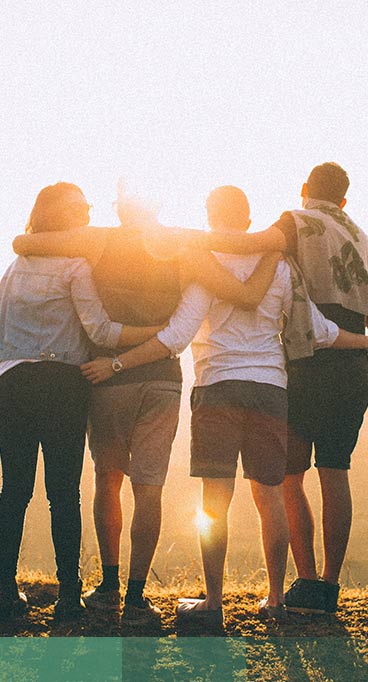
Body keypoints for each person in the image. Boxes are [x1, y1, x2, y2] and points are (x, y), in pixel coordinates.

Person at [81, 185, 368, 624]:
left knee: (215, 500)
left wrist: (118, 363)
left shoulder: (203, 267)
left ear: (211, 219)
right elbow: (319, 331)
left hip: (216, 387)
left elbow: (176, 336)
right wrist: (364, 341)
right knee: (269, 497)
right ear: (250, 222)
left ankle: (212, 604)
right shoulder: (281, 266)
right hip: (270, 389)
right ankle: (274, 600)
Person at [12, 187, 280, 626]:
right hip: (162, 380)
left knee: (108, 479)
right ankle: (137, 597)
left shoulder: (98, 239)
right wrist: (274, 247)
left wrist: (25, 241)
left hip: (108, 377)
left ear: (120, 208)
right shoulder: (183, 245)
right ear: (158, 206)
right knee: (149, 487)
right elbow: (241, 287)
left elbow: (26, 243)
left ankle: (109, 586)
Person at [172, 163, 367, 615]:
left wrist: (179, 241)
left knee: (286, 480)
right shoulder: (358, 236)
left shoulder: (293, 225)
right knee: (333, 472)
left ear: (304, 191)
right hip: (349, 362)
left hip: (301, 363)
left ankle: (298, 582)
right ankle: (321, 591)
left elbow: (250, 249)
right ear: (344, 199)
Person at [0, 183, 166, 623]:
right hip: (62, 387)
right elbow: (101, 332)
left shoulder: (16, 267)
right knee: (63, 494)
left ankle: (2, 592)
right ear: (72, 219)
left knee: (13, 491)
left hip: (11, 385)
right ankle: (69, 597)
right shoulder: (76, 267)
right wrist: (156, 333)